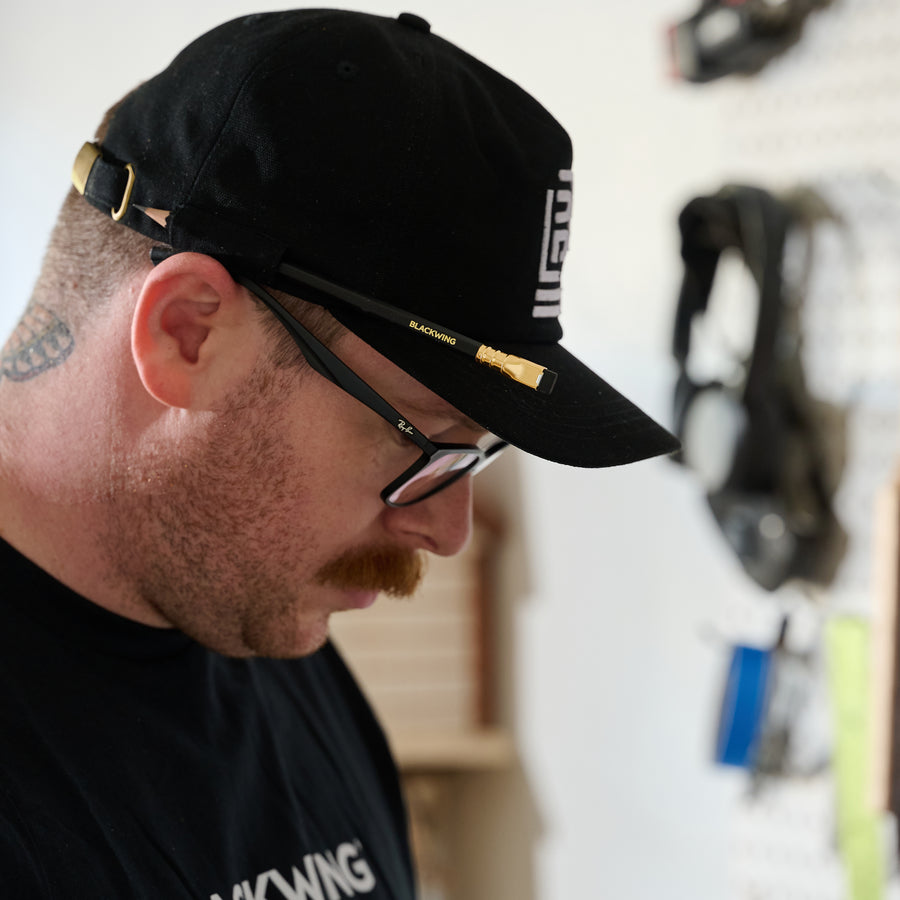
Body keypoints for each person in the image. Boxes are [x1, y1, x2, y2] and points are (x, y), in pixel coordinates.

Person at [0, 9, 679, 899]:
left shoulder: (253, 607)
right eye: (421, 440)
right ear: (188, 333)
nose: (447, 532)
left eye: (473, 457)